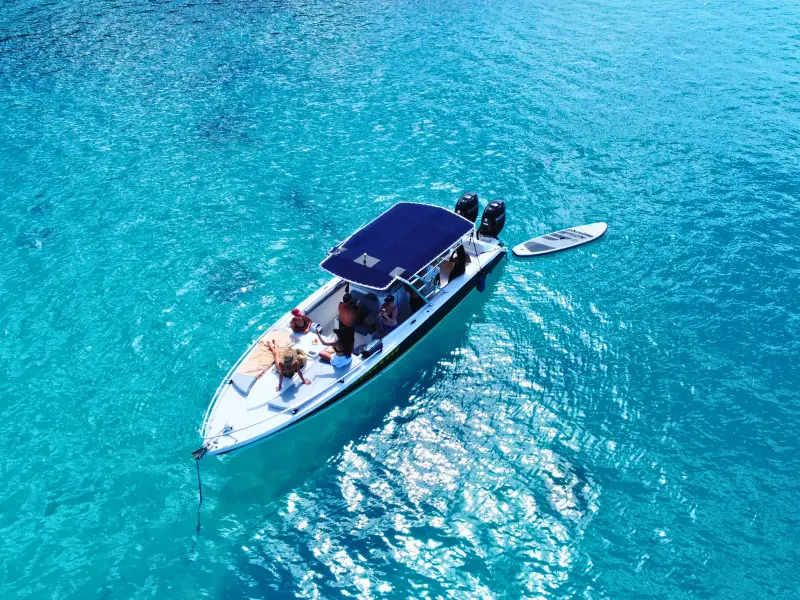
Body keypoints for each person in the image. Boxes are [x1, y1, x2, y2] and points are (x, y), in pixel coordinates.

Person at [337, 283, 357, 353]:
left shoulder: (340, 304)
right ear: (349, 301)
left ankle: (341, 350)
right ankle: (350, 352)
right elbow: (356, 318)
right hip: (348, 328)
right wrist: (359, 308)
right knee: (350, 341)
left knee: (342, 339)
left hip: (341, 324)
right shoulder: (350, 310)